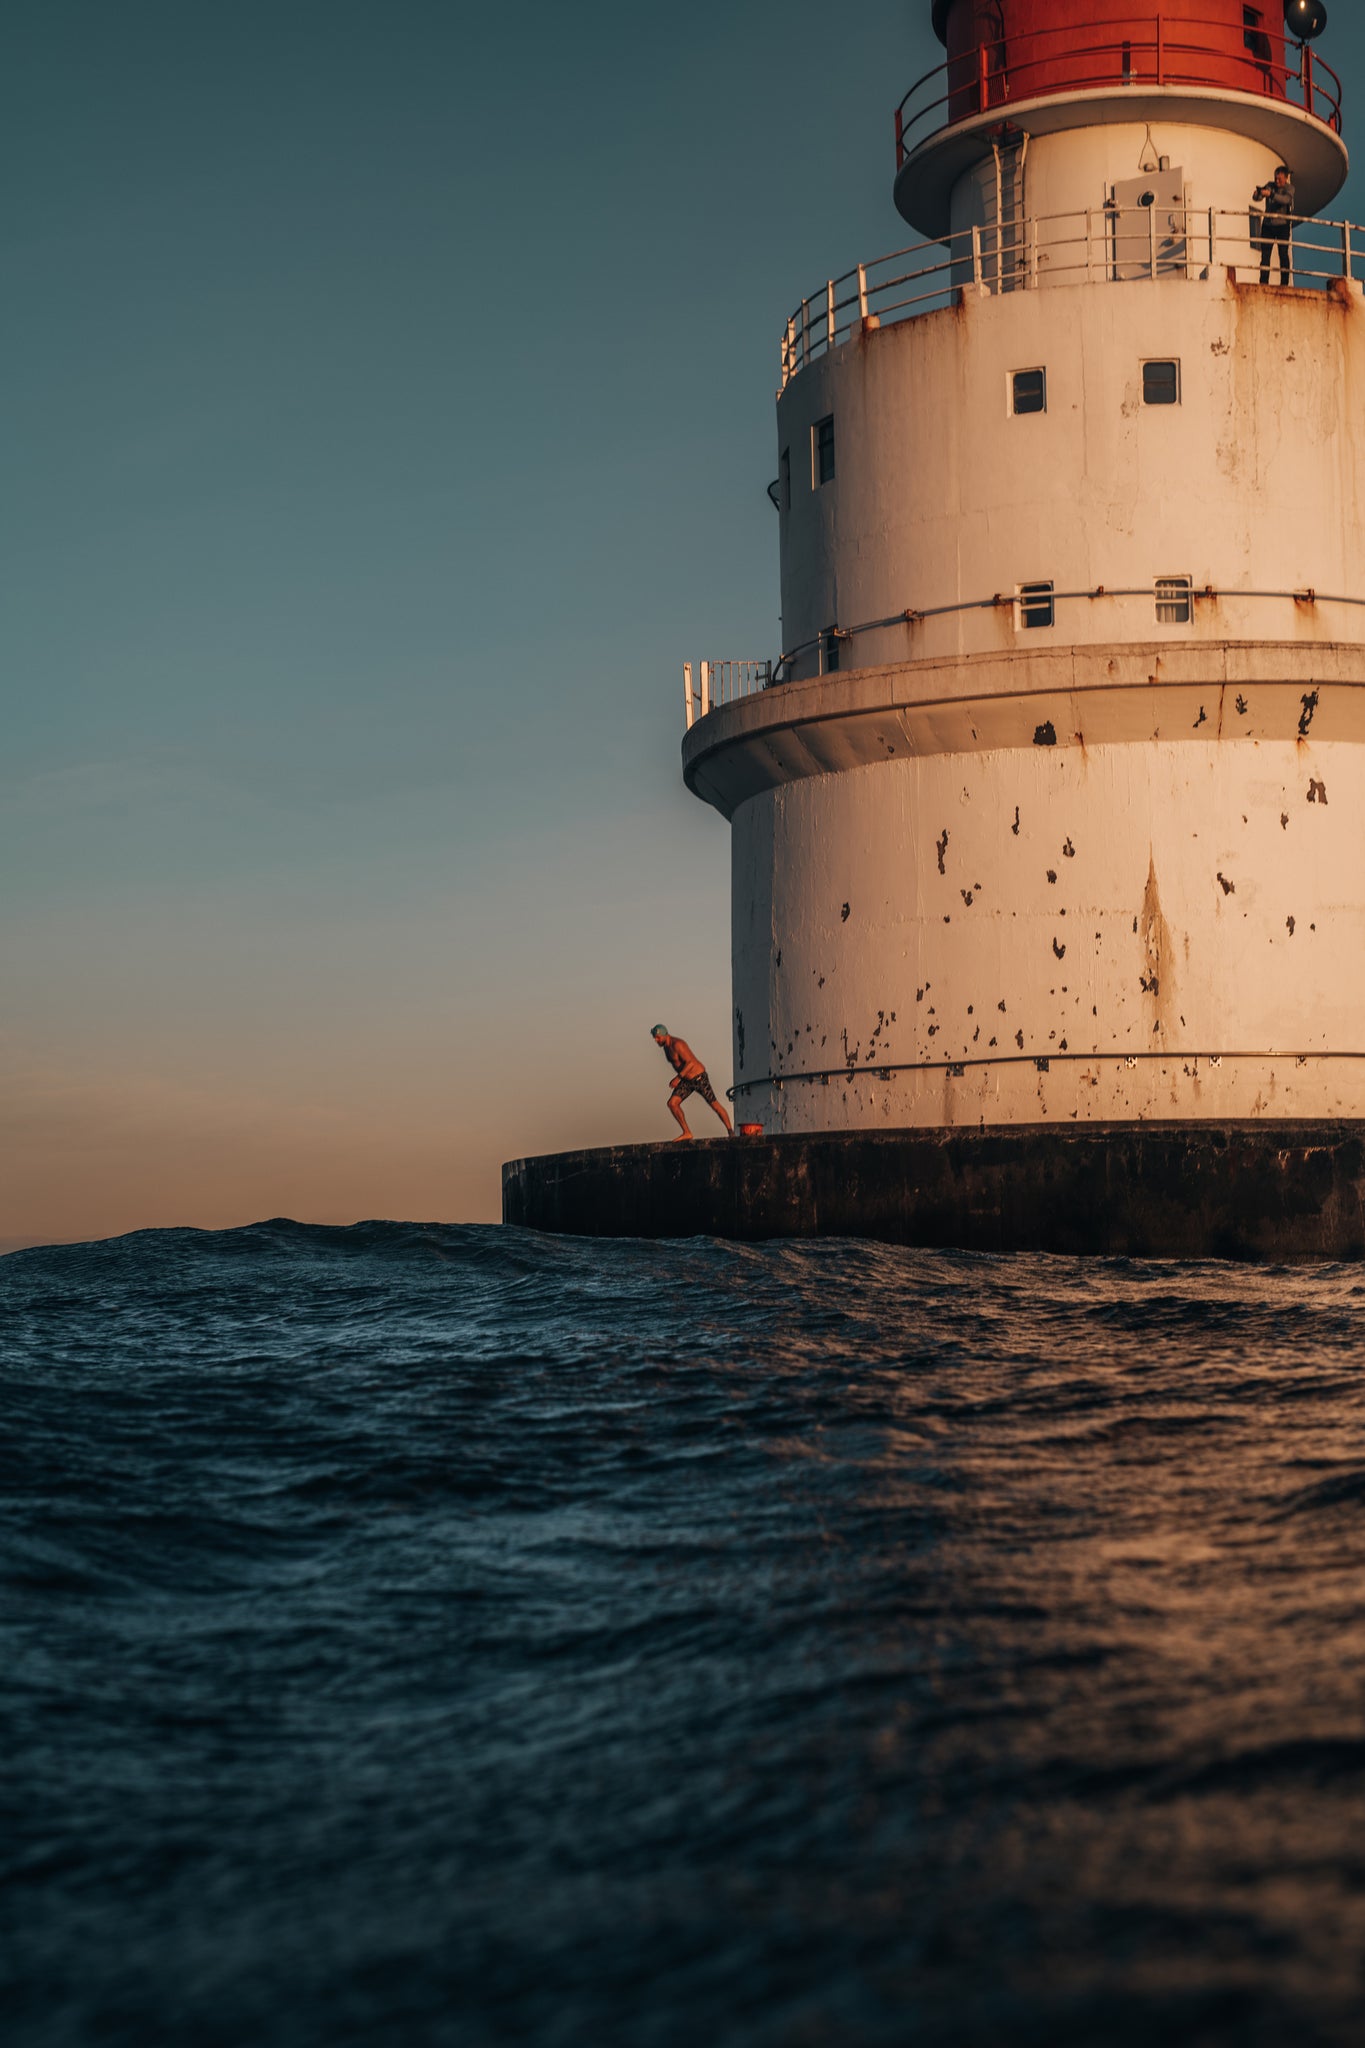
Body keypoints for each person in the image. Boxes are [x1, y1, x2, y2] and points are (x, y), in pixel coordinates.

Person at [651, 1024, 734, 1140]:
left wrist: (678, 1078)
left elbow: (691, 1063)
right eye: (655, 1038)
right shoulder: (666, 1047)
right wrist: (680, 1078)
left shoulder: (678, 1044)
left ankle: (731, 1132)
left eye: (658, 1037)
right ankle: (687, 1132)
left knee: (714, 1105)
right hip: (686, 1080)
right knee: (672, 1103)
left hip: (699, 1078)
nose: (656, 1040)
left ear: (664, 1035)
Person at [1253, 165, 1295, 286]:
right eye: (1275, 178)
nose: (1277, 181)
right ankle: (1263, 282)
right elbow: (1257, 198)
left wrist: (1270, 194)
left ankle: (1284, 284)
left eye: (1280, 179)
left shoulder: (1290, 188)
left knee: (1283, 254)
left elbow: (1285, 200)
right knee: (1265, 255)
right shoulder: (1270, 185)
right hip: (1268, 225)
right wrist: (1258, 193)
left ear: (1286, 178)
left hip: (1283, 226)